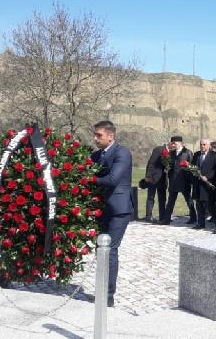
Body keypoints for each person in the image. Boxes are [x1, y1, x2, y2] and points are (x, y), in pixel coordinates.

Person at [90, 120, 133, 308]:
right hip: (102, 209)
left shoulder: (122, 153)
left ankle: (108, 295)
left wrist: (89, 179)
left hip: (119, 209)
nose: (95, 138)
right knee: (100, 250)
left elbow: (113, 179)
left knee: (110, 251)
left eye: (99, 135)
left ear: (111, 136)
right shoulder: (97, 154)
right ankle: (100, 289)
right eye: (95, 134)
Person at [191, 139, 216, 229]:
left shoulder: (214, 155)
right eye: (201, 144)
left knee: (210, 205)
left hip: (208, 184)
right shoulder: (196, 154)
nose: (202, 146)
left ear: (209, 145)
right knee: (198, 205)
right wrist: (193, 172)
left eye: (204, 144)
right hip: (198, 184)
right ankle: (200, 223)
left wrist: (207, 177)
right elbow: (192, 167)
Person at [144, 143, 170, 223]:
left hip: (162, 179)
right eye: (173, 144)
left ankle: (162, 217)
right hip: (153, 178)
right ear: (170, 143)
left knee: (162, 199)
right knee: (151, 197)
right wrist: (148, 176)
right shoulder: (158, 149)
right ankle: (148, 216)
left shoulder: (171, 152)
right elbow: (151, 162)